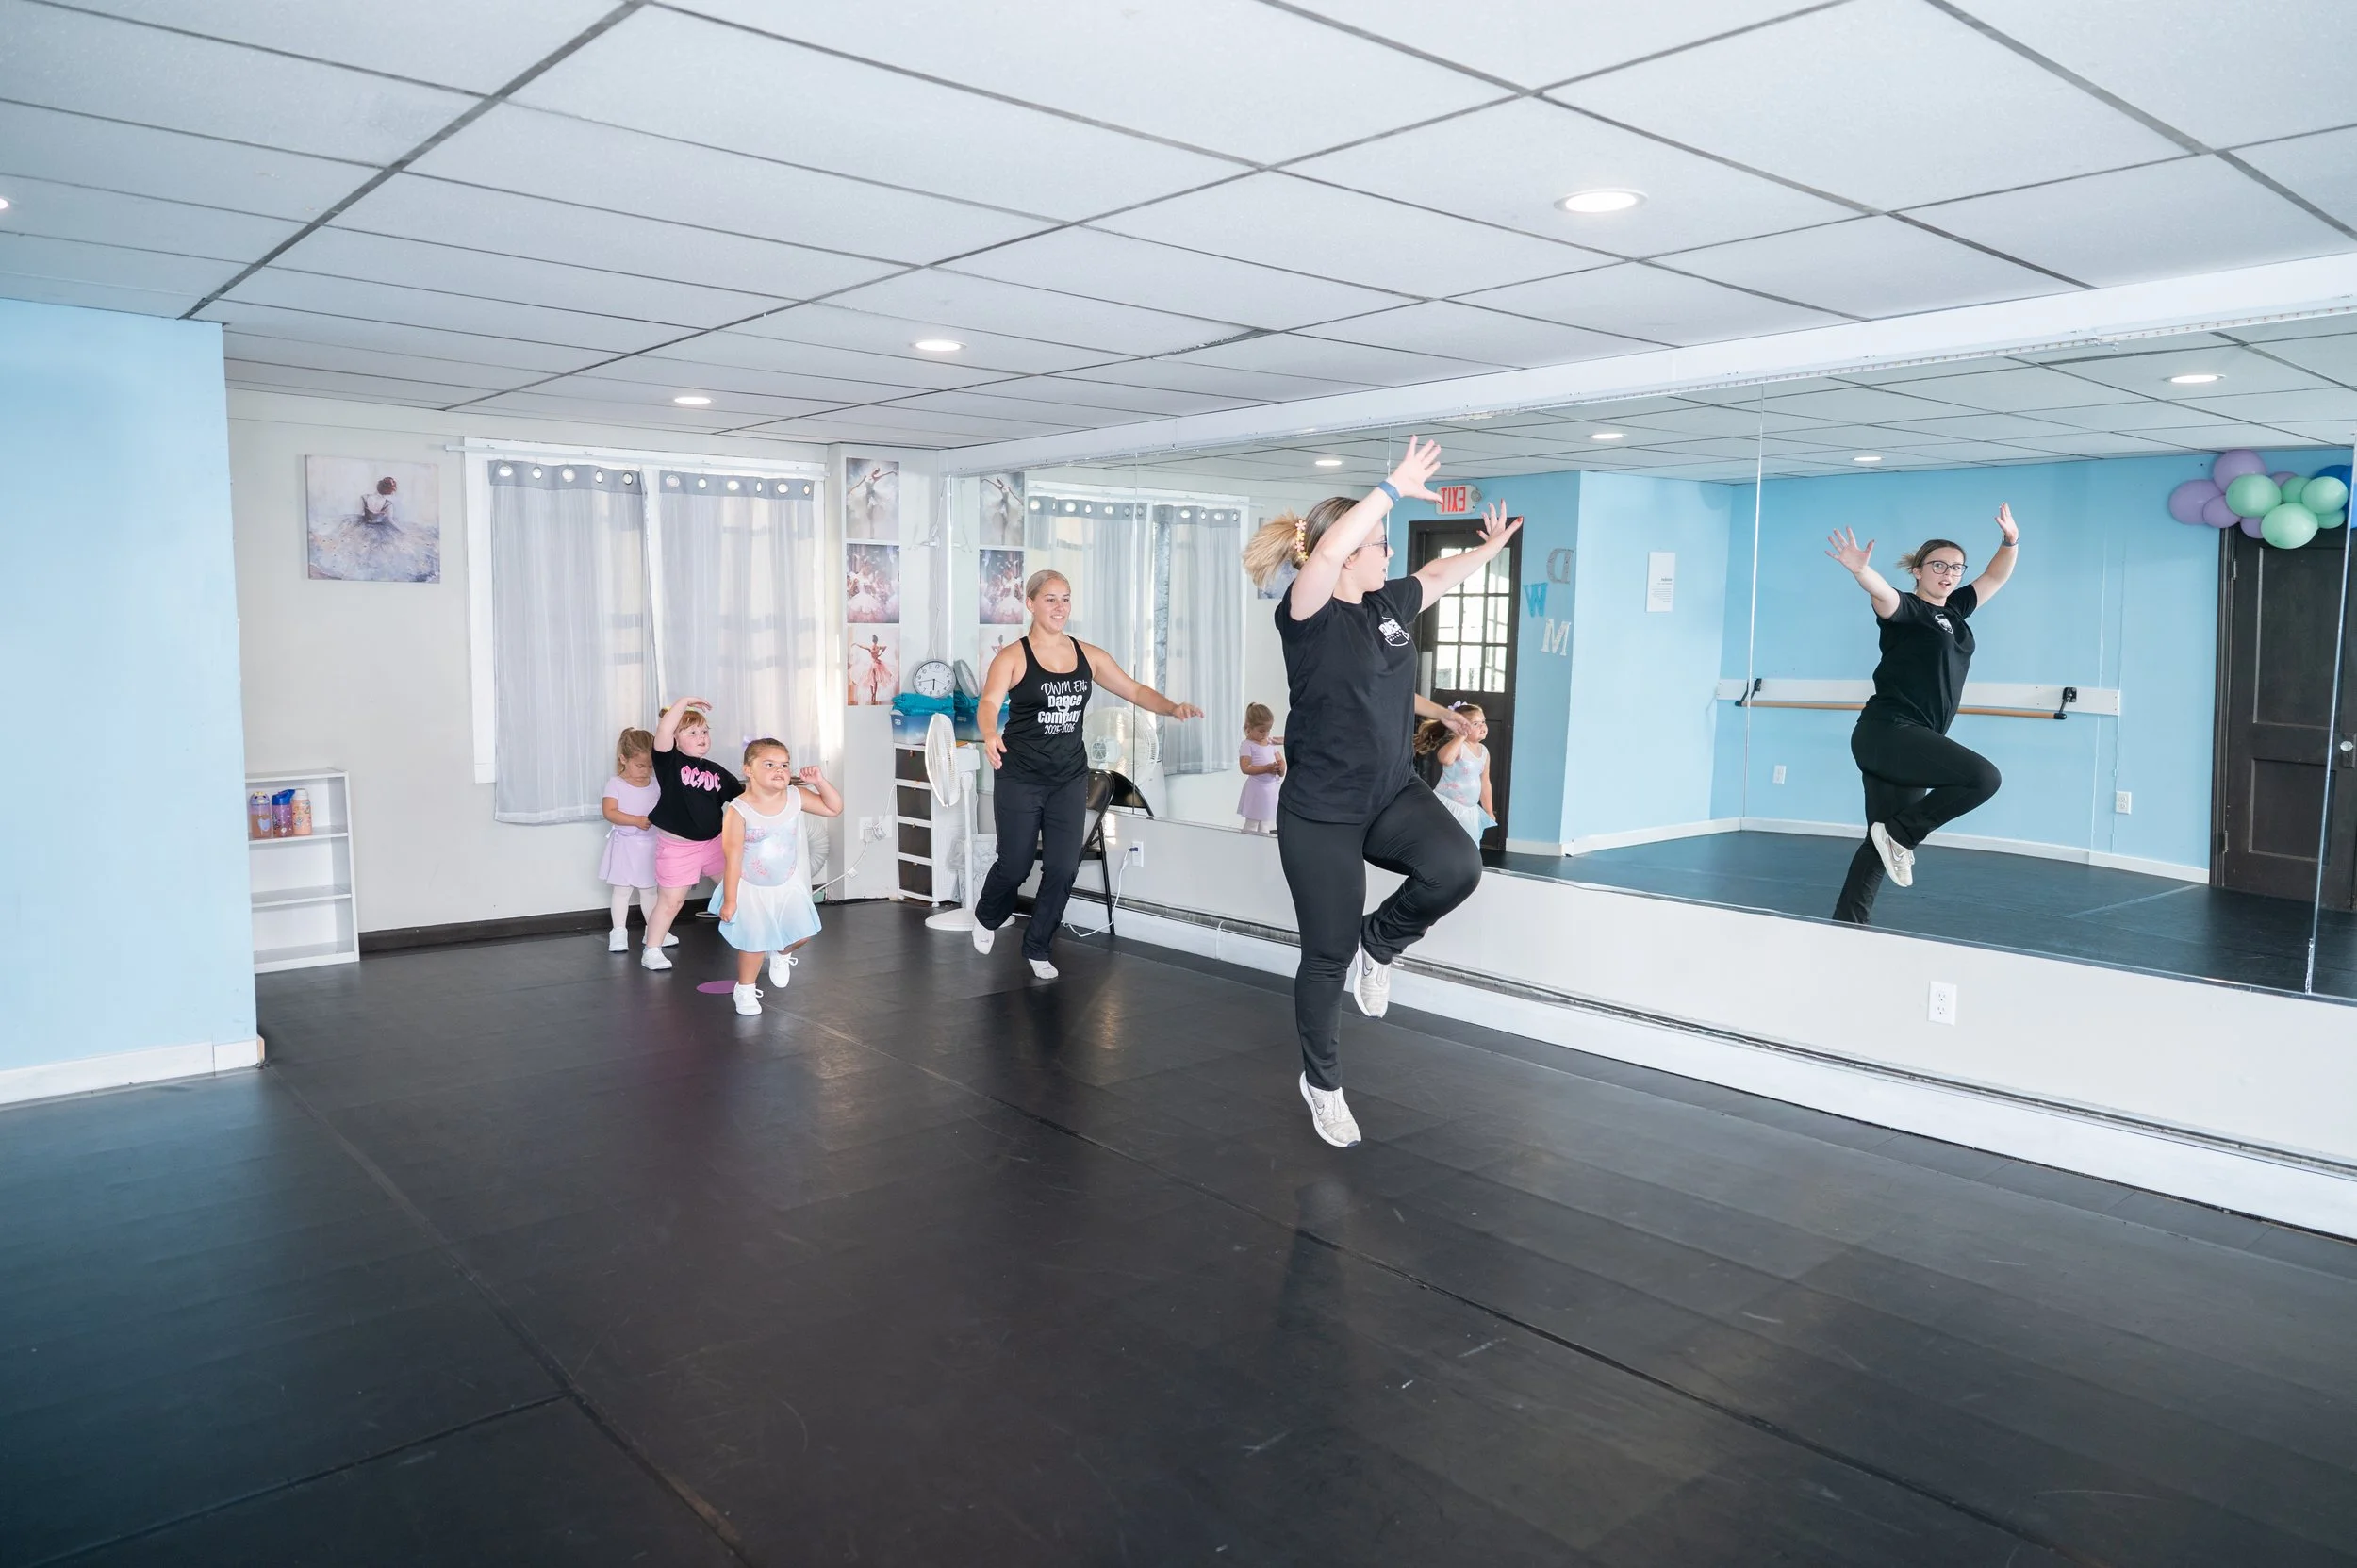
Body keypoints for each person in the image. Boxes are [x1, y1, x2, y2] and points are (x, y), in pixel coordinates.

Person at [1242, 437, 1517, 1148]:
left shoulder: (1390, 604)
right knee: (1324, 955)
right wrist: (1390, 488)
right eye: (1379, 545)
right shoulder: (1306, 615)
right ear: (1352, 546)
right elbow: (1327, 556)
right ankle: (1322, 1083)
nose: (1388, 555)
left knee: (1458, 867)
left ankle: (1382, 942)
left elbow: (1437, 571)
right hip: (1321, 813)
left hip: (1391, 793)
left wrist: (1489, 551)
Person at [972, 569, 1205, 979]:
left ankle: (1038, 946)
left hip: (1068, 777)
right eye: (1050, 599)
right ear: (1030, 603)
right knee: (1015, 865)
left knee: (1063, 867)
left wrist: (1171, 707)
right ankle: (988, 915)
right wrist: (990, 733)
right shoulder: (1012, 656)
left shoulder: (1088, 655)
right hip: (1020, 776)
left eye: (1065, 599)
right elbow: (989, 702)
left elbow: (1133, 690)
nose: (1060, 607)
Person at [1824, 504, 2019, 924]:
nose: (1948, 573)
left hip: (1907, 741)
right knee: (1984, 778)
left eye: (1956, 567)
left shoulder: (1956, 611)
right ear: (1918, 570)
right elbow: (1883, 595)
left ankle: (1847, 925)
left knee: (1879, 842)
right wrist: (1861, 571)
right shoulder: (1910, 611)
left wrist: (2010, 542)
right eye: (1938, 566)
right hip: (1888, 733)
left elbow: (1997, 576)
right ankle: (1901, 834)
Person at [716, 740, 841, 1015]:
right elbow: (733, 856)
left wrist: (819, 782)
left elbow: (834, 808)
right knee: (754, 943)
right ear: (748, 770)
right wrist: (730, 900)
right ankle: (745, 990)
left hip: (787, 883)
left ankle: (782, 954)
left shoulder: (796, 797)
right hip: (751, 888)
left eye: (784, 764)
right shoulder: (740, 809)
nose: (779, 770)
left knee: (804, 933)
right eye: (769, 764)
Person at [637, 700, 743, 969]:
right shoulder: (669, 763)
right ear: (674, 738)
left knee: (737, 890)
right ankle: (652, 949)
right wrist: (684, 703)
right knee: (672, 901)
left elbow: (744, 798)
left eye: (705, 731)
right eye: (692, 732)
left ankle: (753, 940)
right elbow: (663, 731)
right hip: (678, 849)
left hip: (713, 845)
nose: (701, 737)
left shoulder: (716, 772)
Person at [600, 726, 674, 954]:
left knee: (650, 891)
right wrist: (635, 820)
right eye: (640, 766)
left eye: (650, 766)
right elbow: (609, 811)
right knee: (622, 891)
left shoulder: (655, 783)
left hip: (650, 845)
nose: (645, 771)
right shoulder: (616, 784)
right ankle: (619, 933)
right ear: (624, 759)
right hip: (626, 845)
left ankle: (654, 931)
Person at [1419, 702, 1496, 843]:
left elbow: (1485, 782)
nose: (1482, 727)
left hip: (1469, 811)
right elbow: (1444, 759)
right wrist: (1460, 737)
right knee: (1443, 842)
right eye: (1475, 724)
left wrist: (1489, 810)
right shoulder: (1459, 746)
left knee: (1469, 845)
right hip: (1448, 806)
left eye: (1483, 722)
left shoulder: (1484, 752)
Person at [1237, 702, 1283, 834]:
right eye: (1261, 731)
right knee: (1252, 823)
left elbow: (1281, 761)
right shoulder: (1248, 745)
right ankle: (1246, 848)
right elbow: (1245, 768)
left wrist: (1280, 768)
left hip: (1270, 790)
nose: (1265, 734)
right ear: (1249, 728)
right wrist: (1266, 769)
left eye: (1268, 730)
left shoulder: (1270, 743)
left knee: (1265, 825)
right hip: (1256, 790)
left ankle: (1262, 851)